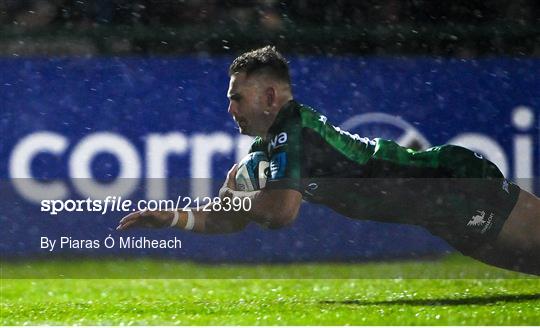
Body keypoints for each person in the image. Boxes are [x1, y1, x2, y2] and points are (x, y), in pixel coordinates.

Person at [117, 46, 540, 275]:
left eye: (235, 98)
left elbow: (279, 213)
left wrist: (237, 199)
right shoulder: (267, 149)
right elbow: (232, 217)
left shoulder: (293, 130)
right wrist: (173, 218)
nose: (230, 109)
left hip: (452, 183)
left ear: (268, 97)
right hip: (439, 212)